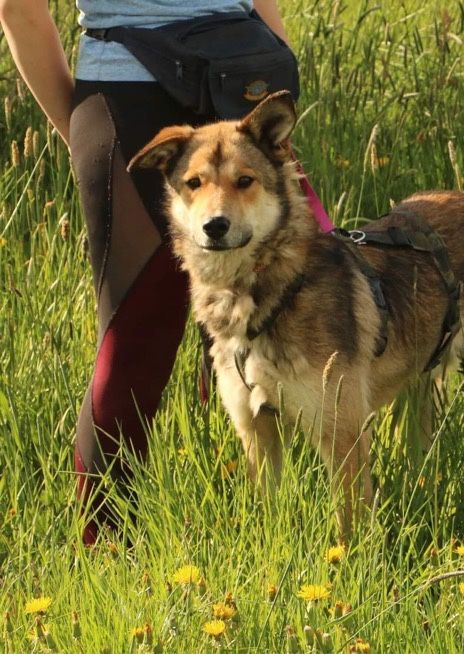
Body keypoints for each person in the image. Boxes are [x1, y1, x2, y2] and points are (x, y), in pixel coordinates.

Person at [0, 0, 306, 544]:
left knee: (248, 334)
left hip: (239, 88)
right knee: (138, 341)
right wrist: (86, 135)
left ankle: (244, 535)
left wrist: (275, 124)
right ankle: (109, 565)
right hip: (159, 89)